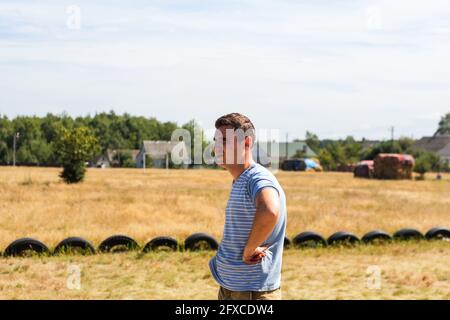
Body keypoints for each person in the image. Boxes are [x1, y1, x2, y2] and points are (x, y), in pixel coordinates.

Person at [208, 113, 287, 300]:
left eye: (225, 141)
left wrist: (250, 250)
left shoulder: (258, 178)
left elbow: (269, 210)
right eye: (216, 141)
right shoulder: (241, 180)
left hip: (251, 291)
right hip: (233, 287)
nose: (217, 147)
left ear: (246, 142)